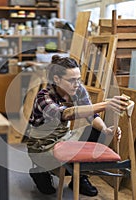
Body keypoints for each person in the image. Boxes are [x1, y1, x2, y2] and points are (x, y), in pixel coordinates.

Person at [27, 55, 128, 197]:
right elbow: (66, 114)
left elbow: (91, 115)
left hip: (64, 138)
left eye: (78, 79)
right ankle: (41, 171)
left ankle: (79, 178)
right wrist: (106, 104)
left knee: (98, 132)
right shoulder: (44, 97)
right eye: (71, 80)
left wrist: (106, 130)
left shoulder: (78, 90)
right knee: (48, 189)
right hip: (42, 146)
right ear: (57, 79)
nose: (76, 84)